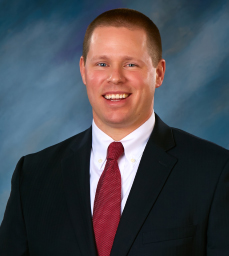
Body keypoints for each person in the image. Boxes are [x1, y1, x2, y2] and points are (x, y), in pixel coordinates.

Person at [0, 8, 229, 256]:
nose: (115, 78)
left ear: (159, 73)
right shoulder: (33, 176)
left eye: (131, 64)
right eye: (102, 63)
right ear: (83, 70)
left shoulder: (214, 172)